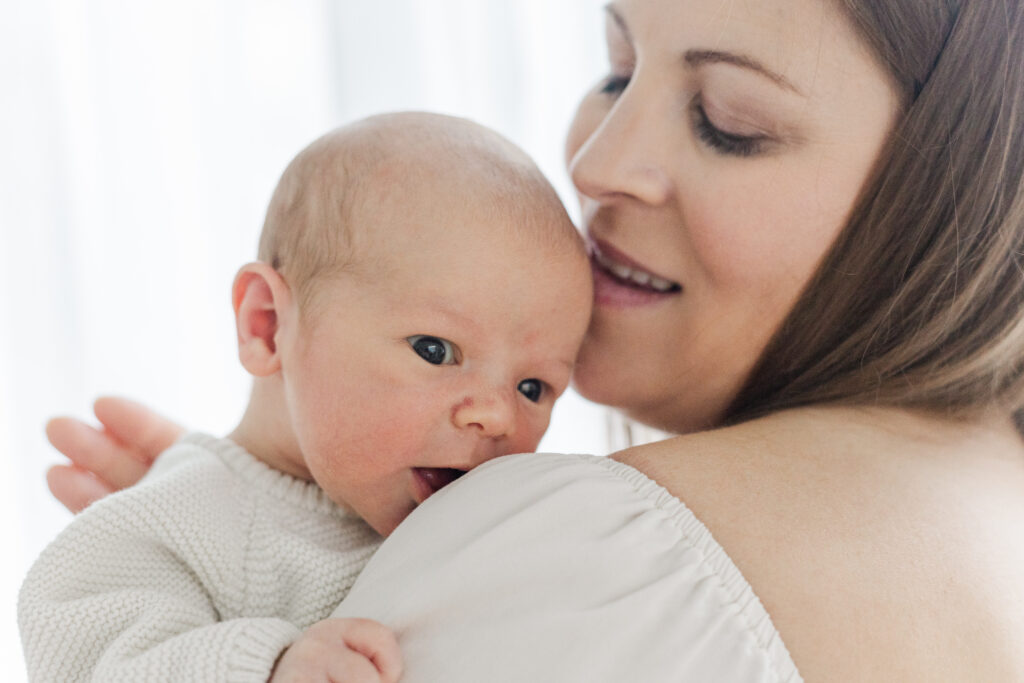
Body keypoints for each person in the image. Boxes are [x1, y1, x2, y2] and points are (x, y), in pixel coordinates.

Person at [41, 0, 1024, 679]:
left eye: (726, 122)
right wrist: (246, 511)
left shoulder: (592, 550)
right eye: (616, 67)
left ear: (939, 201)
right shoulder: (985, 491)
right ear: (268, 326)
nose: (596, 164)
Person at [19, 112, 593, 682]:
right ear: (268, 326)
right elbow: (80, 652)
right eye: (435, 350)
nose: (496, 416)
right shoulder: (182, 517)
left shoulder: (478, 525)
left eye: (532, 388)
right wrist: (266, 668)